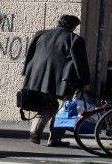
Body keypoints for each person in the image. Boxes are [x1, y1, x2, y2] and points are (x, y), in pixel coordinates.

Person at [21, 15, 91, 147]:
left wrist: (26, 73)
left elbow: (30, 54)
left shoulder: (41, 34)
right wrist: (85, 83)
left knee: (48, 104)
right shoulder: (75, 39)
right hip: (64, 80)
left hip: (38, 76)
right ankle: (55, 139)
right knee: (67, 107)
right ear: (73, 26)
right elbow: (80, 63)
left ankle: (35, 131)